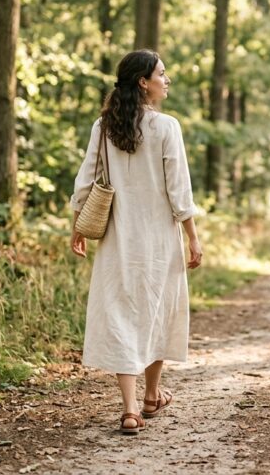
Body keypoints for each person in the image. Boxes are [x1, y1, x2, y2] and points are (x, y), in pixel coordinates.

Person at [69, 49, 203, 435]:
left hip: (116, 238)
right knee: (159, 311)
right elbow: (179, 190)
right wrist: (193, 238)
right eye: (162, 74)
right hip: (160, 236)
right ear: (144, 82)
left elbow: (86, 179)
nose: (167, 80)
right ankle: (151, 393)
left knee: (122, 314)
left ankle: (132, 409)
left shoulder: (103, 126)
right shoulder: (166, 127)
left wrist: (78, 226)